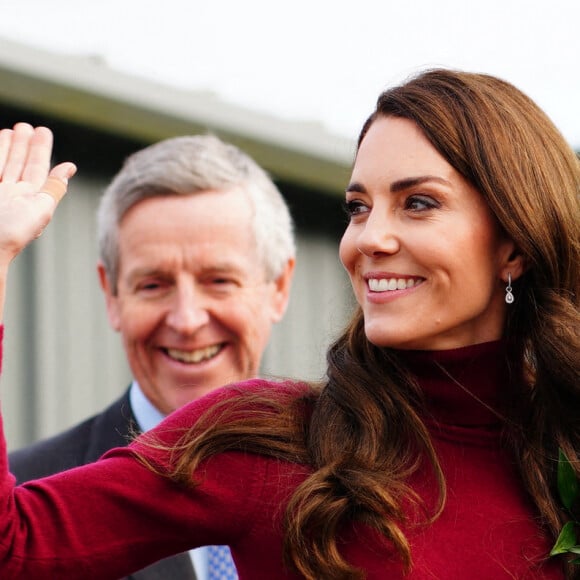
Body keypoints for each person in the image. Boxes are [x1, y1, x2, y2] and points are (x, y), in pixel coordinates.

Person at [0, 68, 578, 579]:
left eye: (418, 203)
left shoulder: (564, 450)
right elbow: (13, 548)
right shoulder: (269, 440)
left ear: (514, 244)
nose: (369, 239)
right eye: (358, 207)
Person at [6, 129, 296, 580]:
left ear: (278, 287)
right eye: (153, 285)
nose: (186, 319)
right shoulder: (23, 507)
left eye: (218, 280)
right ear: (112, 296)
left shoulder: (348, 482)